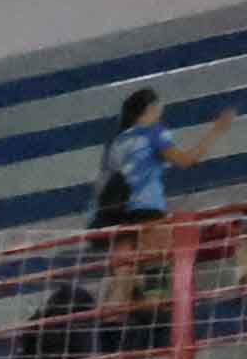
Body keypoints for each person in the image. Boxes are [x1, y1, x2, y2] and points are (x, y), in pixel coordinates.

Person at [94, 85, 231, 243]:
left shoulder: (118, 141)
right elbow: (185, 161)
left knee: (141, 256)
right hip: (148, 208)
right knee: (160, 256)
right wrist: (217, 130)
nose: (160, 116)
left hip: (121, 214)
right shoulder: (152, 133)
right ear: (150, 109)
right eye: (158, 111)